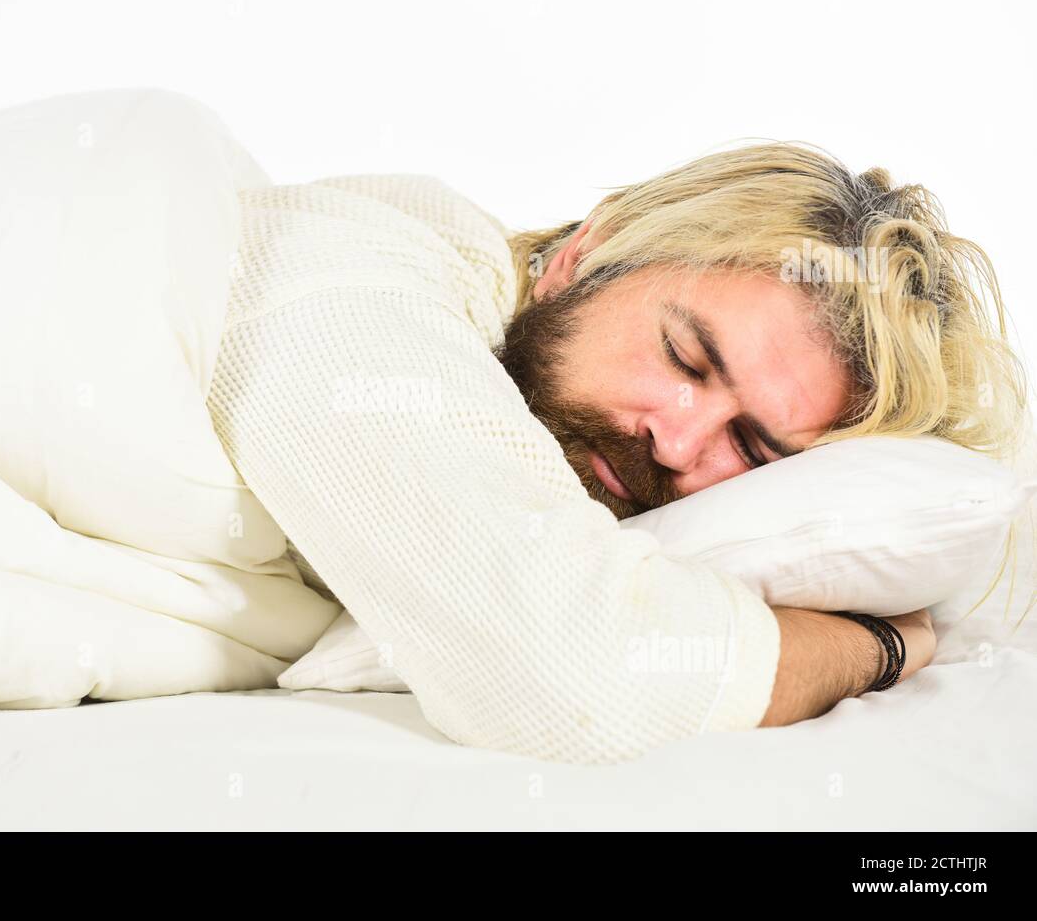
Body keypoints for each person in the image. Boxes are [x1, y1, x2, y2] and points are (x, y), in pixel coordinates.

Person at [205, 144, 1027, 764]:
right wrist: (882, 647)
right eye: (682, 357)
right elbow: (564, 671)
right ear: (584, 257)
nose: (675, 440)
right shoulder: (358, 277)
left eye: (748, 446)